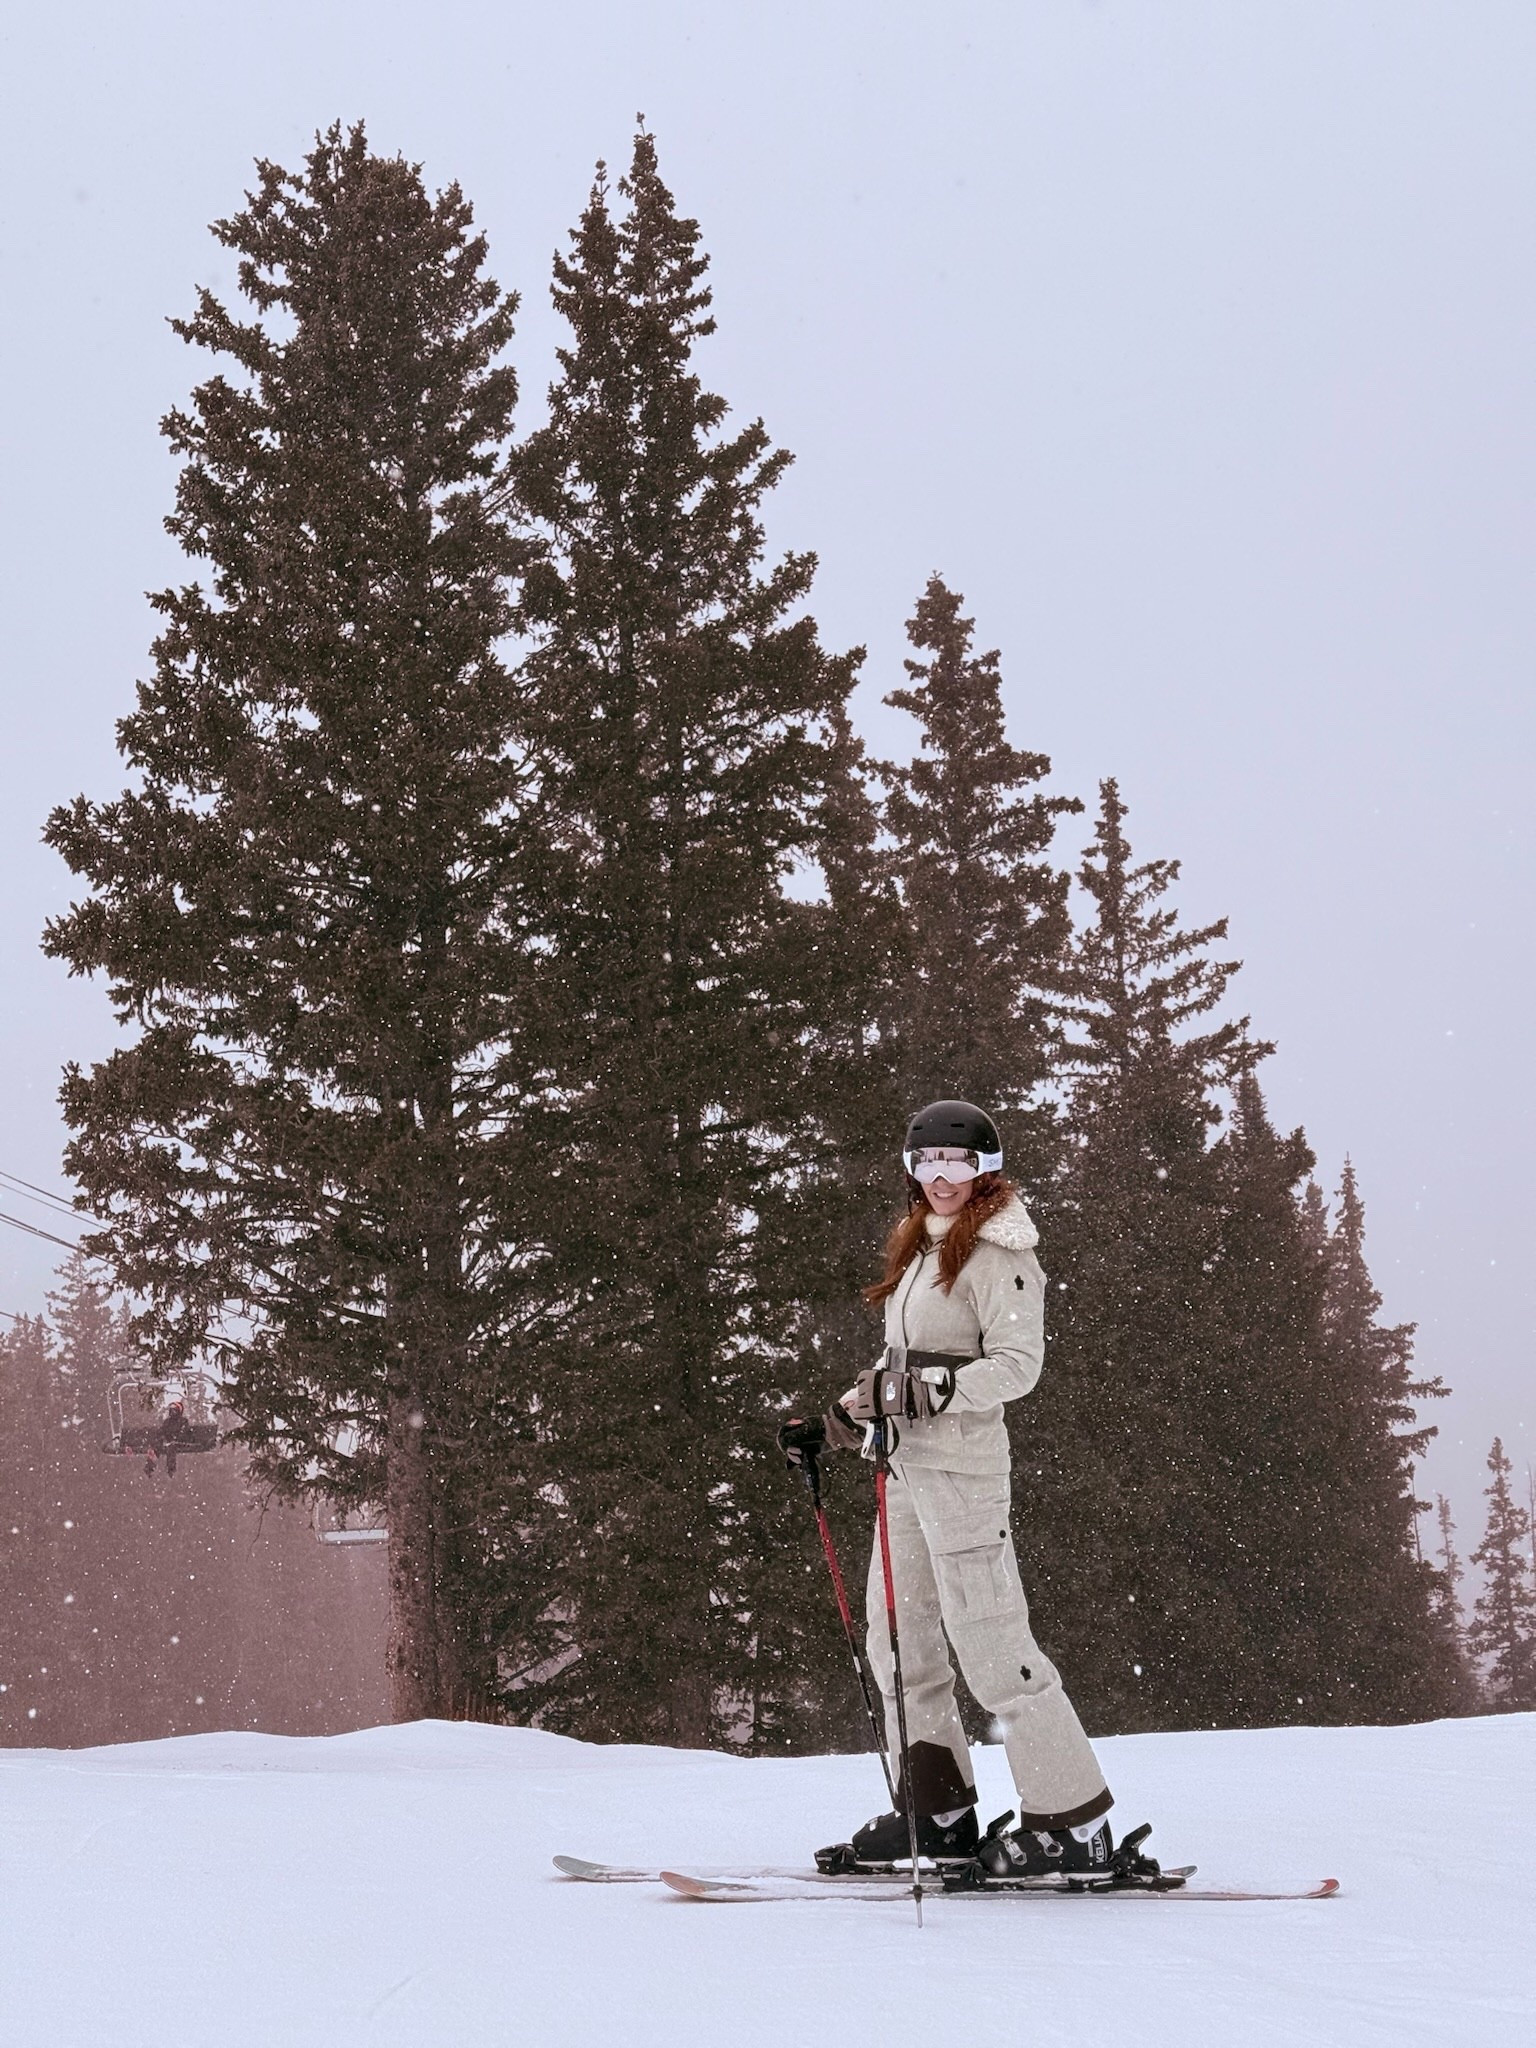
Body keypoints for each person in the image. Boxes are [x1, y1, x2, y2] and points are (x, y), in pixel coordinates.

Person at [818, 1099, 1118, 1878]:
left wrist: (933, 1395)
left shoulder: (1000, 1255)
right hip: (905, 1470)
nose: (940, 1176)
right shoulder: (923, 1247)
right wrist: (844, 1414)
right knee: (898, 1645)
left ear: (984, 1168)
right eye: (926, 1162)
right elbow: (905, 1364)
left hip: (963, 1474)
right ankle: (940, 1813)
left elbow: (1017, 1367)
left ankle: (1072, 1822)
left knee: (991, 1646)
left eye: (956, 1162)